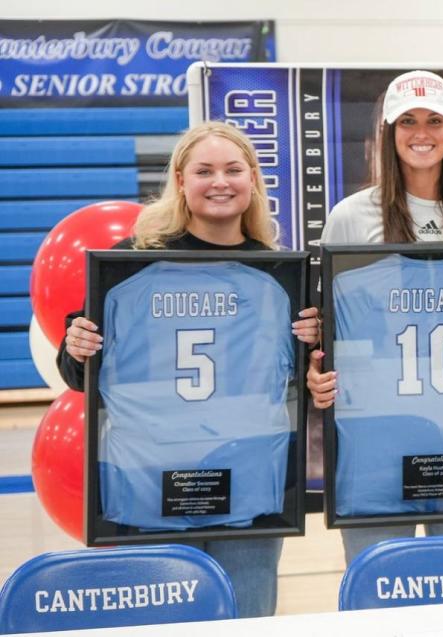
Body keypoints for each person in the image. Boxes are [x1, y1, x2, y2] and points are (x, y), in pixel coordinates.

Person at [56, 121, 320, 618]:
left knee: (248, 618)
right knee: (160, 621)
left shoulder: (280, 273)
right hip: (148, 483)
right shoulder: (128, 265)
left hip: (249, 483)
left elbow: (295, 390)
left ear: (253, 180)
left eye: (233, 170)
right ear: (180, 181)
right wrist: (77, 345)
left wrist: (312, 354)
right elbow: (77, 377)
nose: (220, 182)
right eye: (204, 171)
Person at [306, 70, 443, 564]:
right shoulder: (350, 216)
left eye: (434, 121)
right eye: (407, 121)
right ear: (388, 132)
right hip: (377, 429)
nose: (421, 133)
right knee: (383, 584)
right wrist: (317, 369)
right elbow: (330, 328)